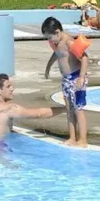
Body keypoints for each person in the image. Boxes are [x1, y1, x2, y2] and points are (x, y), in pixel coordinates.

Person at [41, 17, 91, 147]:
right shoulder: (57, 43)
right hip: (67, 79)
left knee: (78, 109)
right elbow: (57, 54)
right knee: (69, 109)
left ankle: (83, 139)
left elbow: (85, 58)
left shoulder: (69, 42)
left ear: (57, 32)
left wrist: (81, 77)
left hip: (76, 78)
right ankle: (72, 137)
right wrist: (48, 67)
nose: (49, 40)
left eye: (49, 37)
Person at [0, 73, 54, 147]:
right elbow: (39, 114)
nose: (12, 89)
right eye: (8, 86)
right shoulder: (11, 109)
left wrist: (10, 130)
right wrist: (65, 108)